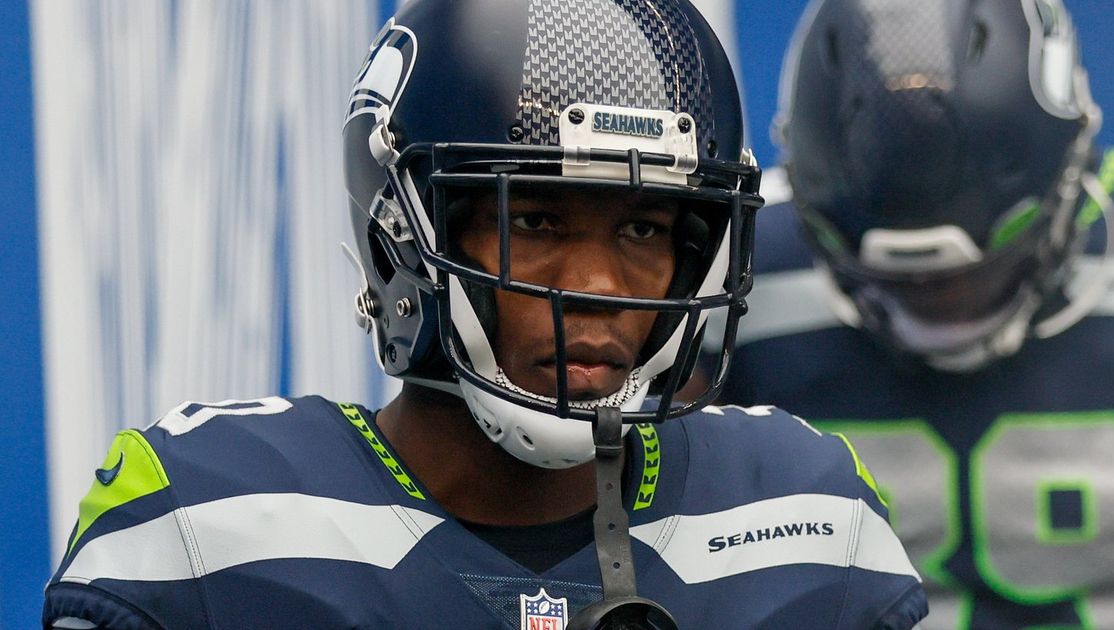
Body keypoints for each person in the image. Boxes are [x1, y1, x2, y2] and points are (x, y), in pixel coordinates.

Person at [43, 1, 928, 628]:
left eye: (644, 227)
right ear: (404, 235)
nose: (597, 284)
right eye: (535, 220)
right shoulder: (206, 525)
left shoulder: (806, 522)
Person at [716, 0, 1114, 628]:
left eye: (973, 279)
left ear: (1069, 167)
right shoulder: (736, 270)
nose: (932, 306)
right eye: (893, 281)